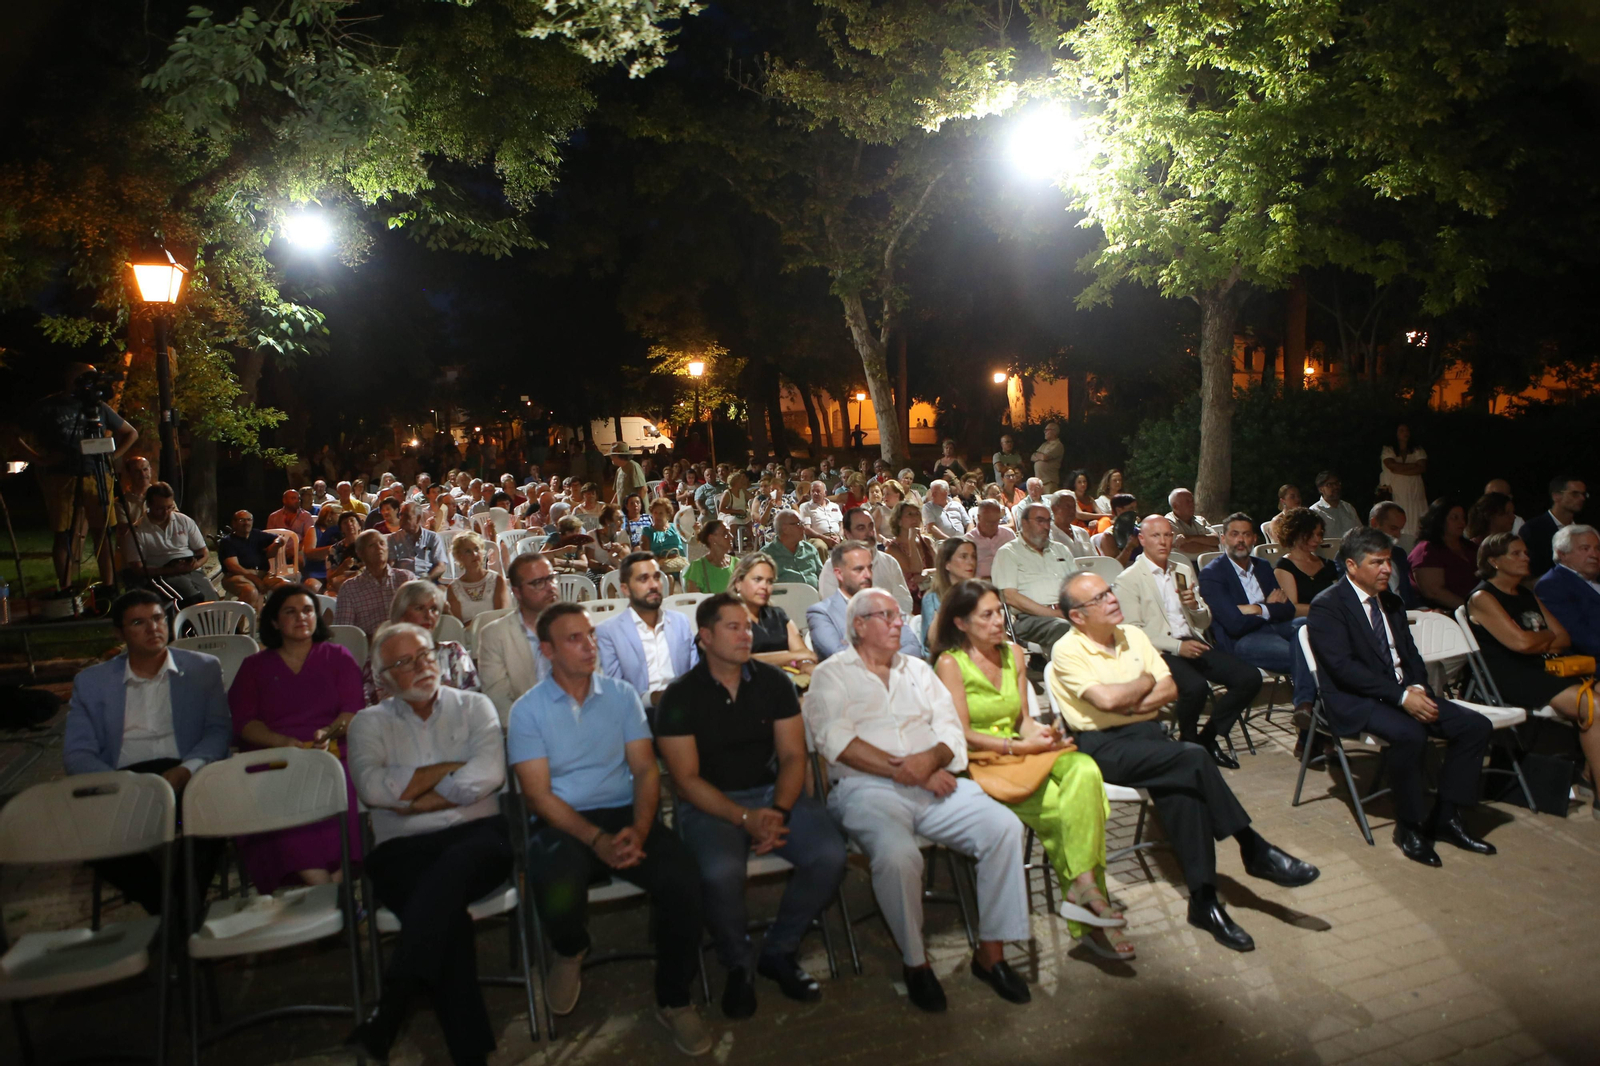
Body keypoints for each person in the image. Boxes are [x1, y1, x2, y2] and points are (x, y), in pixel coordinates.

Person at [1051, 571, 1318, 951]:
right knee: (1193, 755)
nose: (1111, 598)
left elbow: (1170, 687)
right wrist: (1143, 685)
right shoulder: (1067, 650)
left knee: (1185, 786)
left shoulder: (1133, 636)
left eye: (1109, 591)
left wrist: (1131, 701)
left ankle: (1204, 902)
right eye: (1099, 598)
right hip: (1103, 747)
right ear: (1077, 616)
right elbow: (1107, 701)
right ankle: (1252, 846)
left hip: (1148, 736)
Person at [805, 587, 1032, 1011]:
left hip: (934, 781)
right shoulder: (831, 674)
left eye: (899, 615)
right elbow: (837, 740)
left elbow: (950, 730)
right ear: (859, 626)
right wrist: (907, 770)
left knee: (1003, 827)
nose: (899, 623)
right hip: (866, 789)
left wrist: (929, 763)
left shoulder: (918, 670)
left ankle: (992, 953)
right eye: (887, 616)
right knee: (898, 856)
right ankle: (916, 962)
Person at [509, 603, 712, 1055]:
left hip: (624, 814)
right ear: (547, 650)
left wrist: (639, 828)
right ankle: (571, 948)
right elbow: (538, 796)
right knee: (554, 878)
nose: (589, 646)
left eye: (591, 635)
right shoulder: (528, 711)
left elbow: (644, 770)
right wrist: (596, 839)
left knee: (683, 877)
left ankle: (674, 998)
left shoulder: (620, 696)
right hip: (563, 820)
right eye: (574, 639)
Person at [656, 593, 846, 1017]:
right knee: (719, 873)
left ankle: (779, 949)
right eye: (734, 627)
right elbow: (685, 781)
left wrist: (777, 812)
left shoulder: (774, 683)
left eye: (748, 627)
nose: (747, 635)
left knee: (830, 855)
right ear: (705, 637)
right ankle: (737, 961)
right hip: (710, 804)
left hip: (770, 794)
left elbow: (793, 757)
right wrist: (744, 818)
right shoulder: (679, 696)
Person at [930, 581, 1129, 960]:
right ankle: (1090, 913)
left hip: (1022, 751)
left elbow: (1022, 720)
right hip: (982, 761)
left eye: (999, 612)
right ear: (961, 623)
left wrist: (1043, 734)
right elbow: (962, 733)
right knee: (1070, 811)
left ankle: (1084, 889)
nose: (998, 621)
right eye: (986, 616)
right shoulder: (950, 663)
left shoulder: (1014, 653)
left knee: (1085, 770)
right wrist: (1018, 747)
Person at [344, 623, 511, 1066]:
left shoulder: (474, 706)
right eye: (405, 662)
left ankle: (392, 1007)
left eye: (425, 654)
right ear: (382, 678)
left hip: (478, 838)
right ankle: (468, 1055)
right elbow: (374, 789)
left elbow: (489, 773)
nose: (422, 666)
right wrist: (452, 771)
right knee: (444, 914)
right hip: (403, 851)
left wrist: (412, 798)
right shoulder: (367, 724)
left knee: (448, 876)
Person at [1307, 528, 1499, 865]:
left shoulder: (1392, 602)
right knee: (1410, 734)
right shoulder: (1328, 606)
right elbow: (1344, 669)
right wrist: (1401, 697)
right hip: (1357, 700)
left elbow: (1411, 657)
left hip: (1403, 693)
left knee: (1475, 726)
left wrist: (1418, 688)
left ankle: (1447, 817)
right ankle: (1408, 827)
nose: (1387, 569)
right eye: (1376, 562)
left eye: (1388, 561)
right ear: (1351, 565)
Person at [63, 590, 229, 921]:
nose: (153, 628)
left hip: (182, 778)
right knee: (92, 835)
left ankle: (175, 918)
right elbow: (77, 753)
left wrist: (187, 769)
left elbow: (218, 731)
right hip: (123, 784)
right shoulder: (93, 682)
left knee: (214, 816)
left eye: (157, 618)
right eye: (139, 623)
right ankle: (175, 914)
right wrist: (119, 785)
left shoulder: (202, 669)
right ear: (119, 633)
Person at [228, 584, 364, 891]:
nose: (302, 617)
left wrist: (328, 732)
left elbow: (352, 711)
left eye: (307, 610)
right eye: (290, 612)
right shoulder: (254, 667)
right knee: (277, 793)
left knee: (342, 786)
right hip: (276, 757)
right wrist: (283, 743)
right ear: (275, 622)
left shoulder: (338, 657)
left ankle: (327, 894)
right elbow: (244, 723)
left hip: (330, 752)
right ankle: (332, 893)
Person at [1114, 516, 1260, 767]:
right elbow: (1132, 632)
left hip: (1191, 641)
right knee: (1195, 687)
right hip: (1158, 650)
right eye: (1156, 536)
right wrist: (1178, 647)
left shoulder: (1181, 570)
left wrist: (1194, 608)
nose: (1163, 541)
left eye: (1167, 535)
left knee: (1249, 677)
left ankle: (1207, 738)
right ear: (1142, 539)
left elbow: (1204, 621)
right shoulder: (1128, 579)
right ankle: (1189, 742)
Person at [1468, 534, 1599, 788]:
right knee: (1595, 706)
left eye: (1526, 553)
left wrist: (1536, 639)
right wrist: (1545, 636)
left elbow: (1563, 638)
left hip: (1544, 666)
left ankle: (1588, 774)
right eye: (1516, 554)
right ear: (1494, 561)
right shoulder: (1483, 597)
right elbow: (1521, 644)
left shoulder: (1526, 594)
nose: (1526, 558)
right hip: (1513, 674)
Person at [18, 362, 140, 588]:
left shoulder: (98, 407)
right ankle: (66, 588)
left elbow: (131, 433)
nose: (91, 384)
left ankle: (108, 586)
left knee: (103, 533)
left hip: (97, 474)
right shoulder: (48, 406)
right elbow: (15, 434)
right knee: (63, 534)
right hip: (62, 476)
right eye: (86, 378)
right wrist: (40, 459)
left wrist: (112, 457)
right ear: (71, 379)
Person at [1199, 514, 1316, 721]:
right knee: (1306, 651)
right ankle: (1308, 709)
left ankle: (1310, 710)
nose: (1240, 540)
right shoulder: (1213, 574)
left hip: (1274, 627)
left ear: (1254, 539)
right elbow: (1234, 625)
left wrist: (1256, 609)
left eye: (1246, 535)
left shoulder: (1262, 566)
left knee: (1308, 626)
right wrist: (1269, 607)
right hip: (1242, 640)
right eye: (1234, 534)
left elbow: (1287, 609)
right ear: (1223, 539)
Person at [597, 552, 697, 705]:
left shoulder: (680, 622)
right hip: (637, 713)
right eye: (643, 579)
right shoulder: (609, 632)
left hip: (685, 709)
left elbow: (695, 675)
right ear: (625, 589)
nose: (654, 585)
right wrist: (653, 699)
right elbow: (615, 692)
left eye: (656, 577)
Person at [363, 582, 479, 703]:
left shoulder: (453, 651)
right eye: (419, 608)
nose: (428, 616)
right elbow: (369, 705)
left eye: (434, 609)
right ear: (401, 615)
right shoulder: (380, 659)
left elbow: (473, 703)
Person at [478, 554, 559, 723]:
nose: (550, 587)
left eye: (551, 578)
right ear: (517, 592)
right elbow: (499, 700)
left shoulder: (576, 626)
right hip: (525, 728)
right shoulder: (495, 635)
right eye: (538, 583)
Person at [808, 541, 923, 660]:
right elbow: (840, 655)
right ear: (839, 574)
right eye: (859, 569)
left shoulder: (887, 604)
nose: (868, 575)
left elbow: (913, 647)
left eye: (870, 568)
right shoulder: (821, 613)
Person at [990, 502, 1076, 653]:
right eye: (1040, 521)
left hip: (1067, 611)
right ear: (1024, 523)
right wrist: (1054, 613)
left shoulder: (1060, 549)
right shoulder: (1008, 553)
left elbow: (1077, 585)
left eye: (1048, 521)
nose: (1046, 526)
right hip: (1030, 618)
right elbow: (1009, 596)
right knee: (1062, 627)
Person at [121, 482, 216, 607]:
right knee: (191, 598)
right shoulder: (137, 531)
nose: (166, 512)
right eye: (160, 508)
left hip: (191, 570)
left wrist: (195, 564)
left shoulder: (184, 520)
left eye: (169, 507)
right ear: (149, 505)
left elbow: (203, 551)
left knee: (213, 599)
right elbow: (137, 568)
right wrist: (170, 569)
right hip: (161, 574)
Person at [818, 507, 914, 615]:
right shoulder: (832, 567)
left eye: (871, 526)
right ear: (847, 534)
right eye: (861, 528)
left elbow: (904, 600)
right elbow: (833, 608)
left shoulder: (889, 562)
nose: (869, 533)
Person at [730, 553, 815, 671]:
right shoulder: (725, 618)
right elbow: (734, 660)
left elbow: (803, 654)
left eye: (769, 581)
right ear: (738, 583)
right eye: (757, 579)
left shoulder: (778, 616)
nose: (764, 587)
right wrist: (789, 656)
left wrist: (807, 665)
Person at [334, 529, 415, 637]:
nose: (379, 548)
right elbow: (345, 633)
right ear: (360, 553)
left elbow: (420, 617)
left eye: (382, 543)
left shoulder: (406, 579)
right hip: (369, 644)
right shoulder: (349, 589)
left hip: (406, 639)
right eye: (372, 545)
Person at [1536, 524, 1600, 658]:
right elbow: (1579, 637)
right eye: (1585, 548)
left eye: (1597, 548)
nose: (1594, 554)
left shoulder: (1593, 579)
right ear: (1562, 554)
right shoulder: (1552, 584)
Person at [1408, 498, 1477, 610]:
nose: (1462, 522)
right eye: (1455, 518)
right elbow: (1434, 592)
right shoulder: (1427, 550)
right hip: (1446, 612)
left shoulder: (1470, 547)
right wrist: (1471, 609)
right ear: (1439, 520)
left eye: (1463, 518)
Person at [217, 509, 290, 611]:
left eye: (249, 520)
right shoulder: (228, 542)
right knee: (251, 591)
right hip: (237, 576)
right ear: (234, 523)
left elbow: (280, 538)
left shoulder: (257, 534)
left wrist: (277, 543)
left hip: (263, 575)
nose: (246, 523)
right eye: (242, 520)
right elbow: (233, 567)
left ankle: (271, 617)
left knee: (287, 587)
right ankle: (238, 621)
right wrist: (255, 580)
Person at [1521, 475, 1588, 577]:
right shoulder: (1533, 529)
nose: (1582, 498)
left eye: (1583, 494)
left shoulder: (1585, 529)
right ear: (1556, 496)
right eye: (1575, 494)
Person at [1273, 508, 1336, 614]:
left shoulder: (1327, 564)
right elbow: (1292, 608)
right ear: (1295, 535)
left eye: (1319, 534)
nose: (1318, 540)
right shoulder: (1284, 567)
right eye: (1310, 535)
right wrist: (1327, 610)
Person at [922, 537, 977, 650]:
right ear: (947, 564)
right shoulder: (932, 598)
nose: (971, 562)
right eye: (964, 556)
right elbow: (932, 642)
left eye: (973, 556)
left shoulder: (978, 594)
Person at [445, 531, 509, 624]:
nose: (474, 554)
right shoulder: (453, 589)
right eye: (468, 551)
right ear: (459, 556)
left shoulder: (497, 581)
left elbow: (502, 616)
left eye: (476, 549)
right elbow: (458, 626)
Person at [884, 502, 936, 612]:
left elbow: (941, 567)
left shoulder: (927, 541)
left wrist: (927, 572)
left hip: (932, 594)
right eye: (909, 514)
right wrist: (911, 541)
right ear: (899, 521)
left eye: (917, 514)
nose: (915, 518)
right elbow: (916, 569)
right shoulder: (893, 549)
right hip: (909, 600)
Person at [1370, 502, 1423, 610]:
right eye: (1393, 528)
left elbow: (1408, 595)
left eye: (1400, 529)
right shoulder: (1353, 555)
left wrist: (1424, 610)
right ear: (1374, 523)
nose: (1398, 535)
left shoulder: (1399, 554)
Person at [1378, 424, 1428, 536]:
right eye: (1401, 430)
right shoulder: (1388, 450)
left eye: (1407, 430)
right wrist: (1413, 466)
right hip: (1396, 493)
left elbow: (1421, 467)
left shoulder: (1417, 450)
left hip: (1414, 493)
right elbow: (1392, 467)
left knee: (1416, 522)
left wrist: (1400, 468)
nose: (1405, 433)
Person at [764, 509, 824, 586]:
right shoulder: (767, 555)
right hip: (786, 593)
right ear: (785, 529)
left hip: (815, 593)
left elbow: (823, 576)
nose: (803, 528)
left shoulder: (810, 549)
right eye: (799, 524)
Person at [389, 502, 447, 581]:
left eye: (406, 516)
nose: (402, 519)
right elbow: (391, 567)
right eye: (400, 515)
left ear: (418, 518)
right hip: (403, 581)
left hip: (427, 580)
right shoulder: (393, 539)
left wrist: (426, 579)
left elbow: (441, 566)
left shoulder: (432, 537)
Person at [965, 499, 1016, 579]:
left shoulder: (1008, 535)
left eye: (995, 522)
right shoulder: (968, 540)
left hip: (1009, 580)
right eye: (988, 522)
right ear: (979, 518)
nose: (992, 526)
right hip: (980, 583)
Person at [685, 520, 736, 594]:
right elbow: (693, 599)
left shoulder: (738, 564)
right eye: (725, 533)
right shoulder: (698, 567)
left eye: (730, 533)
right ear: (711, 539)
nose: (731, 537)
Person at [322, 511, 366, 595]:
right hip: (342, 582)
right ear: (341, 529)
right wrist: (343, 567)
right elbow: (330, 578)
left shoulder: (367, 544)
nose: (349, 524)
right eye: (345, 523)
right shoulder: (335, 549)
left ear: (359, 526)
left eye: (352, 521)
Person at [1309, 471, 1361, 541]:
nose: (1335, 487)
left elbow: (1361, 532)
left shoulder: (1348, 507)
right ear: (1321, 489)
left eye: (1337, 483)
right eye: (1330, 485)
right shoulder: (1314, 511)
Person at [1165, 488, 1219, 555]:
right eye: (1188, 501)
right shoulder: (1167, 523)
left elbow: (1216, 540)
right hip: (1185, 561)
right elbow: (1184, 547)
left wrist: (1190, 538)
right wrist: (1209, 547)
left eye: (1192, 501)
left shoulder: (1200, 520)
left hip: (1208, 560)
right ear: (1175, 506)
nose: (1192, 504)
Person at [797, 480, 844, 548]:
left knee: (852, 545)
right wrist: (824, 538)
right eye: (812, 491)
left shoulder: (834, 506)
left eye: (818, 491)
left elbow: (841, 525)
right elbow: (806, 529)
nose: (815, 493)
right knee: (820, 546)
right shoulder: (805, 506)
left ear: (825, 493)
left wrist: (839, 537)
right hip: (817, 537)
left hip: (836, 536)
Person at [641, 496, 688, 560]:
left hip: (680, 562)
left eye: (661, 513)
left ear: (667, 514)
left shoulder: (676, 527)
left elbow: (691, 540)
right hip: (660, 564)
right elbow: (645, 556)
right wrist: (665, 558)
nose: (657, 516)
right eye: (655, 513)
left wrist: (696, 530)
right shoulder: (647, 531)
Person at [1049, 492, 1093, 557]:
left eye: (1074, 507)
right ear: (1054, 509)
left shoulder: (1082, 533)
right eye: (1067, 506)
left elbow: (1095, 558)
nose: (1072, 511)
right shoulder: (1048, 535)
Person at [610, 444, 648, 510]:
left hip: (635, 511)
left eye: (613, 455)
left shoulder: (633, 466)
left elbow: (643, 489)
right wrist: (610, 506)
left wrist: (636, 507)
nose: (611, 457)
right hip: (625, 511)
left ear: (620, 456)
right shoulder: (619, 470)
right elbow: (618, 492)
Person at [1030, 421, 1063, 493]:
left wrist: (1039, 456)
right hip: (1039, 483)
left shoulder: (1058, 445)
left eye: (1047, 430)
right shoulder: (1044, 444)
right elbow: (1032, 457)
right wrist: (1040, 456)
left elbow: (1045, 457)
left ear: (1054, 432)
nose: (1045, 432)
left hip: (1049, 482)